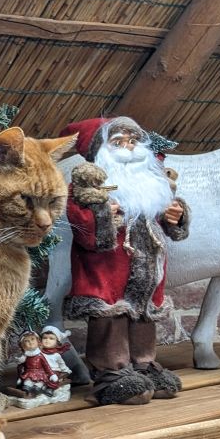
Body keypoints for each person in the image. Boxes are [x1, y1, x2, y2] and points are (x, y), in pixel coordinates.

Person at [62, 116, 189, 406]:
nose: (128, 148)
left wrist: (176, 216)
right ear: (100, 150)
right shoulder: (87, 189)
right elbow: (85, 230)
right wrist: (105, 214)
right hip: (108, 268)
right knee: (112, 315)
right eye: (117, 142)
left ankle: (144, 365)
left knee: (144, 315)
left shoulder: (151, 182)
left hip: (147, 267)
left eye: (133, 141)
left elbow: (164, 222)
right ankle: (112, 373)